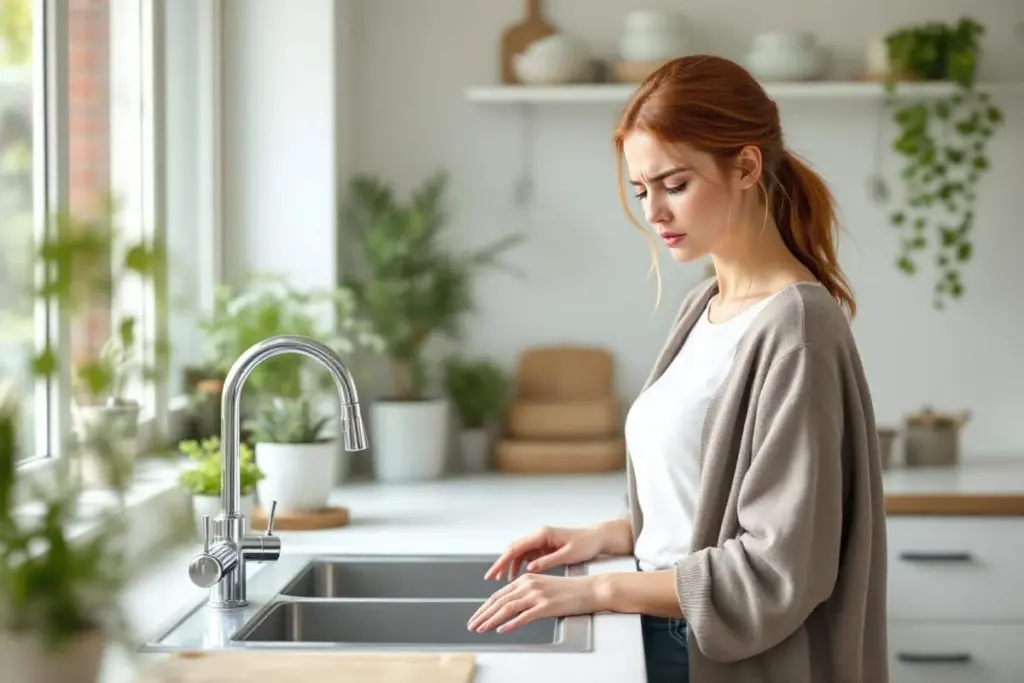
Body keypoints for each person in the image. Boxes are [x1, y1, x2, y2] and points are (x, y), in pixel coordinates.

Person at [466, 54, 890, 683]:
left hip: (714, 653)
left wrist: (597, 590)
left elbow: (779, 567)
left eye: (675, 184)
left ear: (746, 167)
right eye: (642, 191)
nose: (654, 212)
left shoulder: (798, 330)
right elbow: (699, 509)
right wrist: (609, 537)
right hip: (669, 633)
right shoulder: (705, 304)